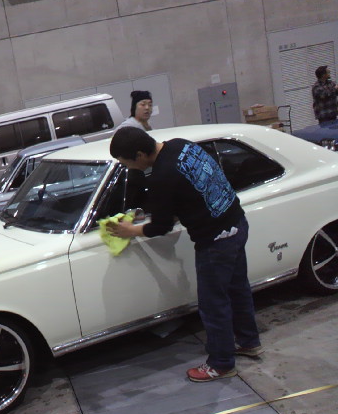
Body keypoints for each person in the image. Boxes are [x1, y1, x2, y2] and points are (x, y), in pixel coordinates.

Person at [106, 127, 261, 382]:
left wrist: (129, 230)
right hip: (236, 222)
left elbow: (161, 227)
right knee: (237, 289)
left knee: (213, 304)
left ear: (140, 154)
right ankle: (249, 342)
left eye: (127, 162)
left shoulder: (162, 177)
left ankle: (221, 364)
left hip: (215, 240)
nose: (128, 168)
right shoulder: (180, 145)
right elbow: (194, 186)